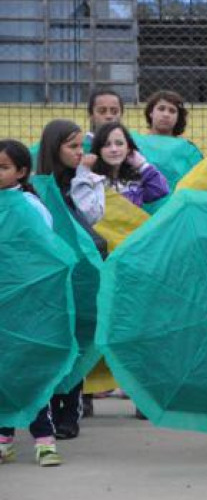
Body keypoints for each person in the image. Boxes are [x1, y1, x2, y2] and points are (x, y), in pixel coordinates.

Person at [36, 119, 107, 440]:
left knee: (78, 339)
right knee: (52, 340)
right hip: (48, 279)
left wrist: (82, 178)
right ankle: (49, 408)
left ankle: (70, 412)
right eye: (73, 146)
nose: (81, 153)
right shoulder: (36, 188)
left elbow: (91, 215)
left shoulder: (87, 180)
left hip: (80, 277)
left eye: (83, 146)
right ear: (54, 148)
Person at [0, 140, 62, 467]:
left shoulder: (30, 206)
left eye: (3, 167)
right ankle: (4, 436)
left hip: (26, 302)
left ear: (22, 172)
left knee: (28, 368)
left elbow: (45, 253)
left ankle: (44, 437)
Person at [89, 122, 170, 208]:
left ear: (128, 149)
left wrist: (142, 165)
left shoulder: (135, 180)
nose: (114, 149)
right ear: (98, 150)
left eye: (119, 143)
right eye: (106, 144)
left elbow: (161, 190)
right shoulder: (90, 180)